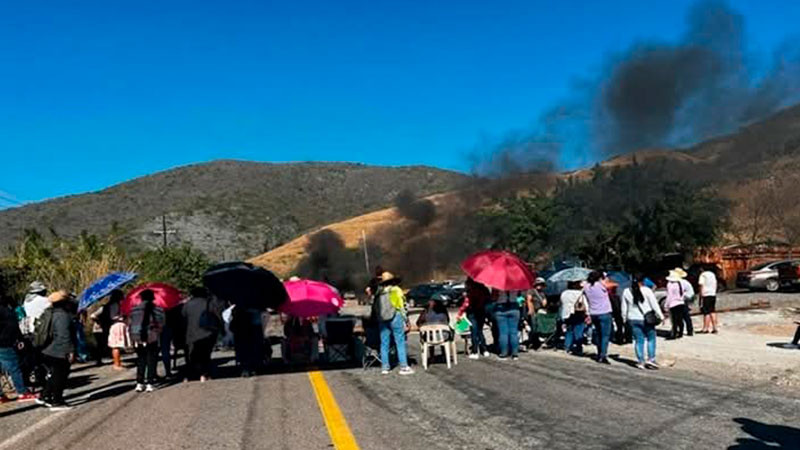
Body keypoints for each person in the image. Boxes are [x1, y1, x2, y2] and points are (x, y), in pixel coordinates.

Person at [38, 291, 76, 410]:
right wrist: (70, 351)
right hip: (59, 350)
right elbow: (64, 335)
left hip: (48, 349)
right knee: (60, 376)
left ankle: (44, 396)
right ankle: (57, 401)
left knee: (54, 375)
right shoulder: (62, 316)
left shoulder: (50, 313)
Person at [621, 275, 665, 370]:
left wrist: (624, 319)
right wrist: (661, 316)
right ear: (643, 281)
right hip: (646, 318)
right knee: (651, 339)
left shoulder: (626, 291)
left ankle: (641, 361)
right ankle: (651, 359)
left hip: (632, 318)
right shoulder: (647, 291)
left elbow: (624, 307)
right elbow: (654, 304)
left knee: (638, 340)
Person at [374, 271, 414, 375]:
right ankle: (404, 366)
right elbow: (402, 306)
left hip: (382, 319)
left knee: (384, 343)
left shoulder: (379, 292)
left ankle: (385, 367)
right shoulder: (396, 290)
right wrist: (406, 320)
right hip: (395, 316)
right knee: (399, 342)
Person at [0, 295, 38, 403]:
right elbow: (13, 327)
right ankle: (22, 392)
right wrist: (19, 339)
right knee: (14, 367)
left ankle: (1, 396)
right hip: (5, 343)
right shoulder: (6, 312)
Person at [182, 287, 223, 382]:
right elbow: (217, 316)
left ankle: (192, 374)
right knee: (205, 354)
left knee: (192, 355)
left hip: (191, 333)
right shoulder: (209, 303)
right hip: (208, 332)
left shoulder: (187, 305)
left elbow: (183, 318)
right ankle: (204, 374)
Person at [129, 289, 165, 393]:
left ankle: (139, 383)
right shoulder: (158, 309)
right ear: (153, 297)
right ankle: (150, 383)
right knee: (151, 359)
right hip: (152, 336)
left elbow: (130, 323)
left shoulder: (134, 310)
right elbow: (162, 323)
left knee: (141, 360)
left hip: (137, 337)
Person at [456, 278, 491, 359]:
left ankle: (475, 351)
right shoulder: (484, 290)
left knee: (474, 332)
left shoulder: (470, 291)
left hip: (472, 312)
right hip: (482, 312)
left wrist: (460, 313)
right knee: (480, 331)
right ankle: (484, 349)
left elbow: (466, 304)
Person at [584, 271, 613, 364]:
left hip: (593, 313)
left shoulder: (586, 286)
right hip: (604, 312)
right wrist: (606, 279)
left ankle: (599, 352)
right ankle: (603, 355)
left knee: (598, 334)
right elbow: (613, 285)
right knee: (605, 335)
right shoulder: (601, 285)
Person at [231, 306, 265, 377]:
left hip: (241, 316)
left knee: (243, 343)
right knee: (254, 342)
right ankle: (254, 366)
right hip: (253, 314)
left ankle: (245, 366)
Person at [559, 280, 587, 356]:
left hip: (566, 314)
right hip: (577, 314)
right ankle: (578, 348)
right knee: (578, 331)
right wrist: (587, 314)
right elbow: (585, 305)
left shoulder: (564, 293)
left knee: (569, 331)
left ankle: (567, 347)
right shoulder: (579, 293)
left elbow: (562, 303)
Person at [104, 290, 129, 370]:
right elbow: (113, 316)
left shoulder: (115, 304)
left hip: (116, 325)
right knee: (116, 345)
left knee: (116, 345)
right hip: (117, 325)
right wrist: (122, 316)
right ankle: (116, 364)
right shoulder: (114, 305)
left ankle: (118, 362)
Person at [493, 289, 520, 360]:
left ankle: (504, 352)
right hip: (514, 306)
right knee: (514, 332)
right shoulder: (516, 284)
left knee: (503, 333)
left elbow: (494, 297)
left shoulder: (497, 285)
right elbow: (520, 295)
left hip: (501, 307)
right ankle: (514, 353)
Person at [665, 270, 687, 340]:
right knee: (680, 319)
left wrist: (666, 305)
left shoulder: (670, 285)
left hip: (673, 304)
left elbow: (669, 296)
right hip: (680, 302)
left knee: (674, 320)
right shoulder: (680, 283)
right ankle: (680, 332)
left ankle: (674, 334)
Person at [698, 267, 719, 334]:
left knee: (706, 312)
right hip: (712, 294)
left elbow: (701, 285)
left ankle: (705, 328)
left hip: (706, 294)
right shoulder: (712, 274)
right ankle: (715, 327)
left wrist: (700, 295)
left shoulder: (703, 275)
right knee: (712, 311)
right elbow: (716, 284)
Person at [675, 268, 695, 337]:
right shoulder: (686, 282)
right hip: (685, 299)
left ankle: (680, 331)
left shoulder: (680, 283)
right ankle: (690, 330)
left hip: (682, 300)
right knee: (686, 316)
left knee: (680, 316)